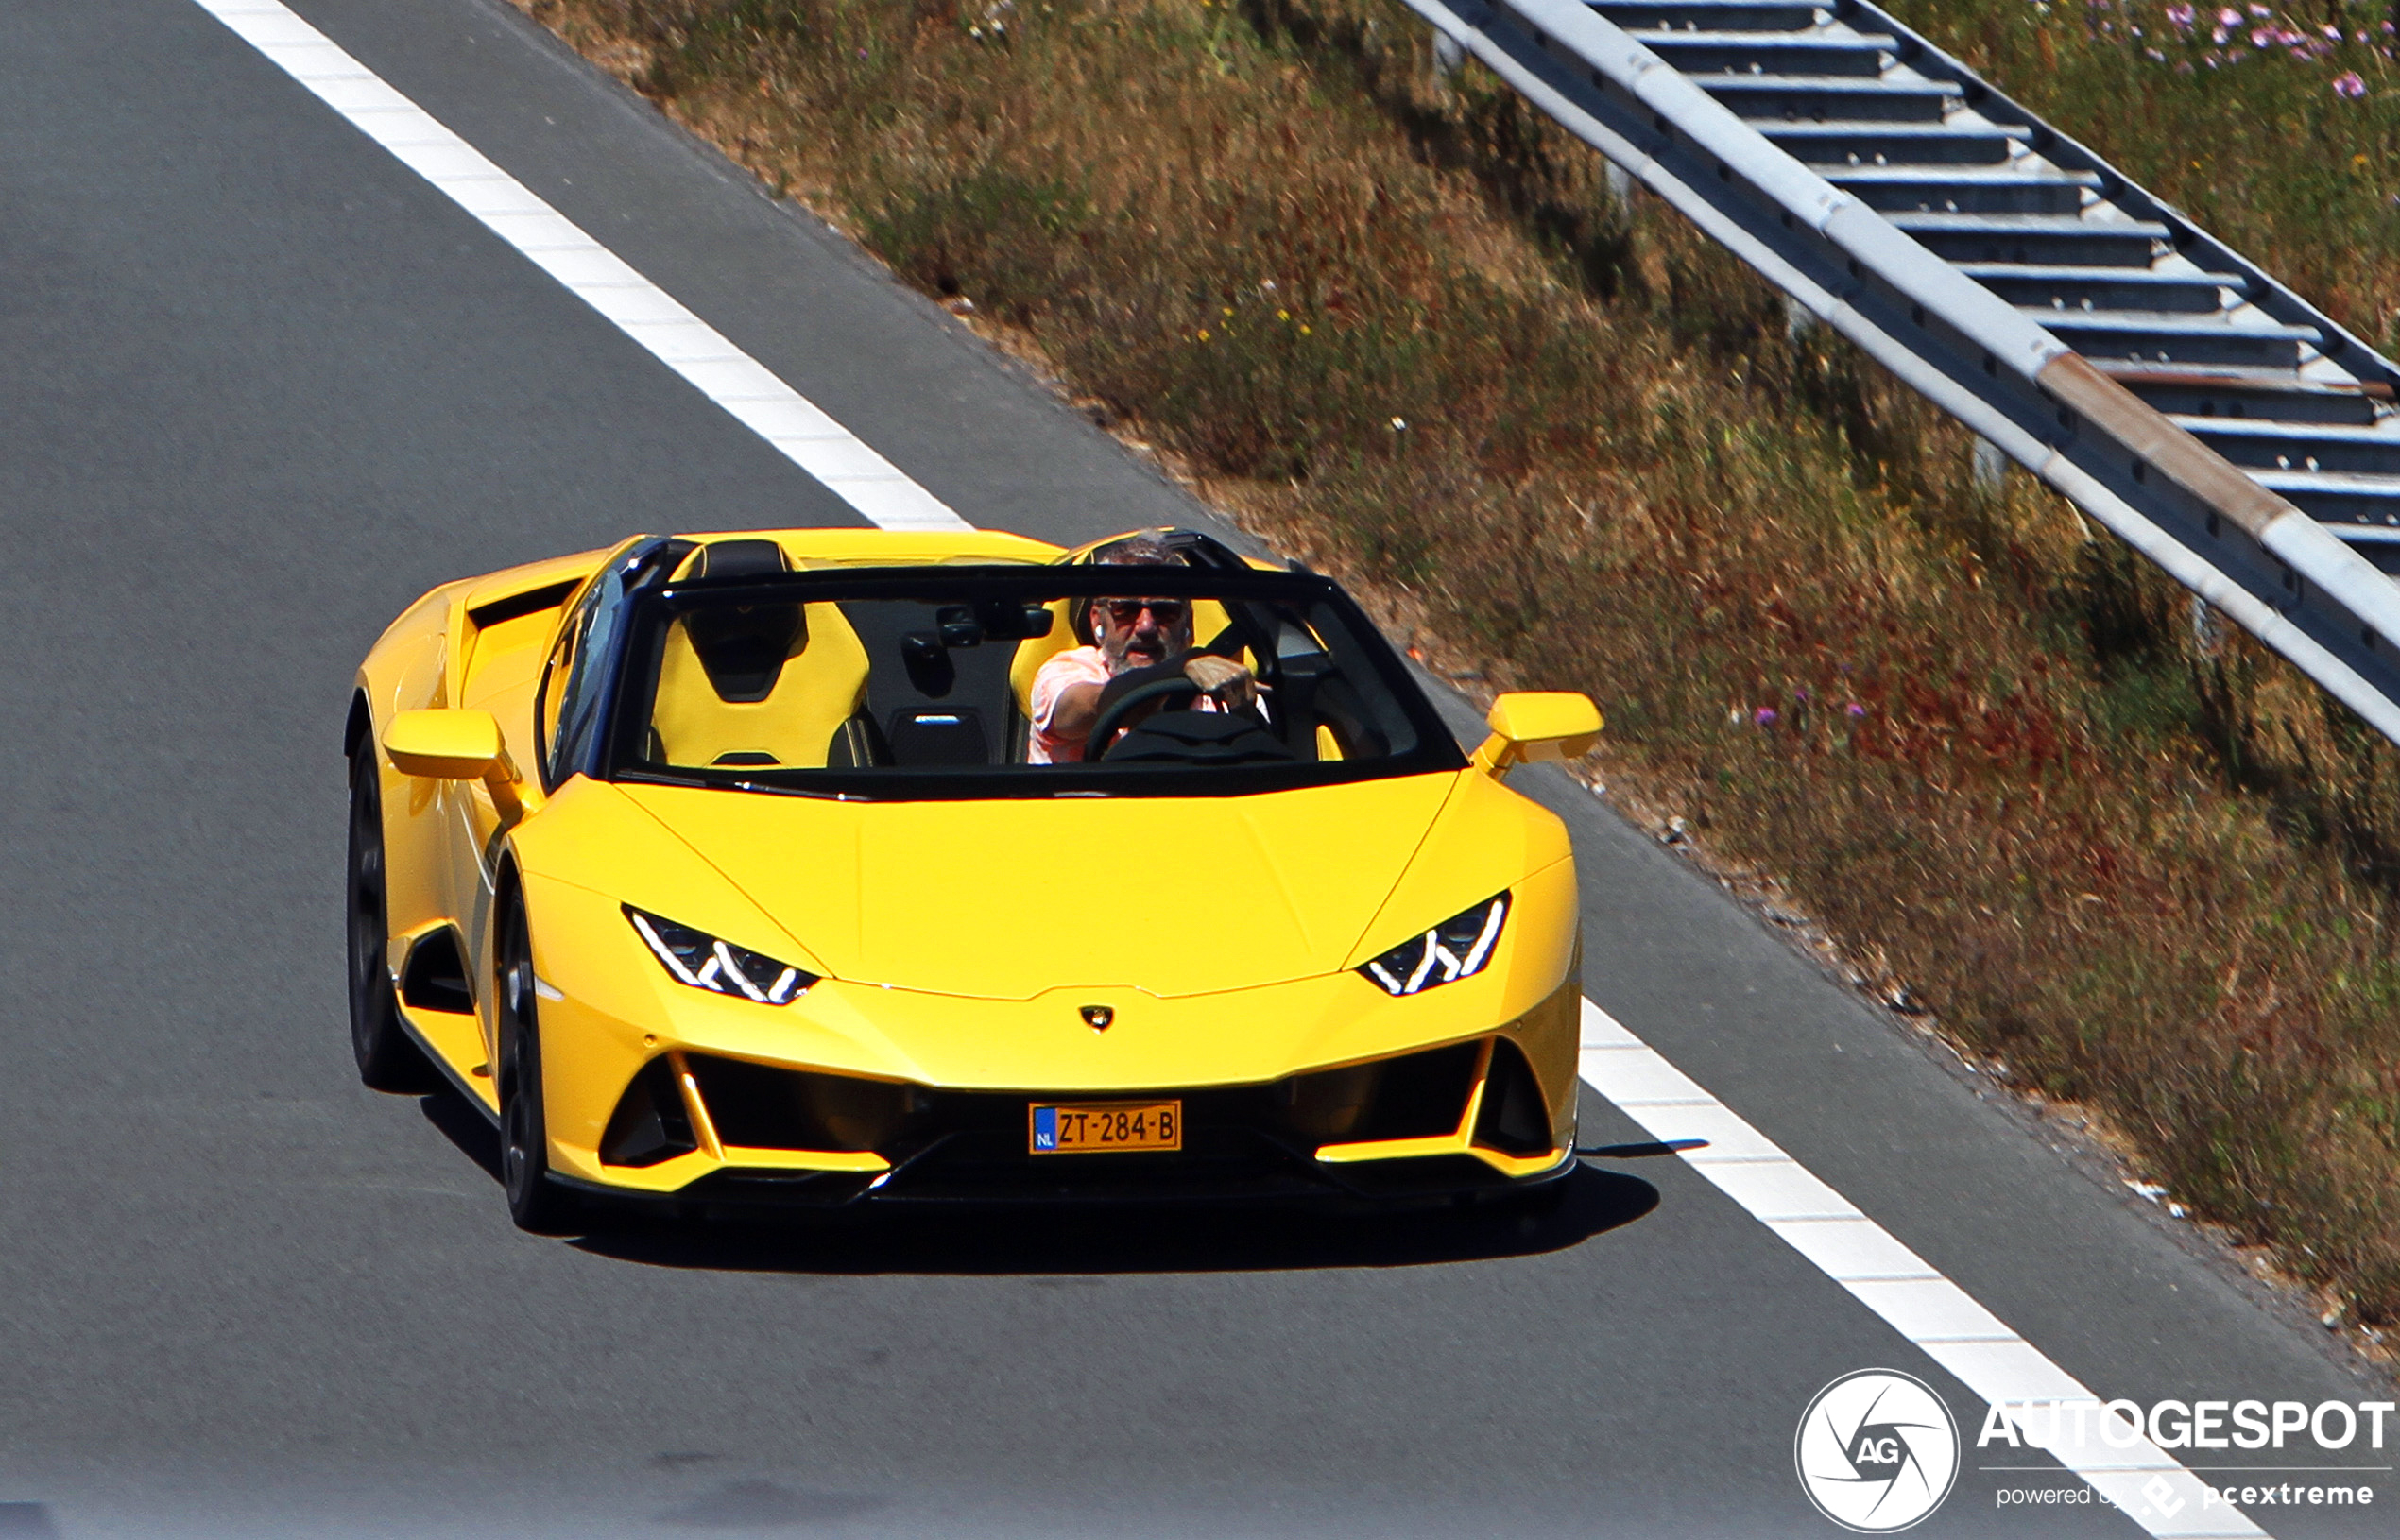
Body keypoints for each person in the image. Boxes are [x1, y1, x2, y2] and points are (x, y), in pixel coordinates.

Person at [1028, 539, 1257, 763]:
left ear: (1188, 623)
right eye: (1126, 609)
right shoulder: (1065, 672)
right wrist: (1185, 664)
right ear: (1097, 618)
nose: (1146, 626)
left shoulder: (1227, 686)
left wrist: (1243, 714)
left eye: (1165, 610)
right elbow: (1095, 706)